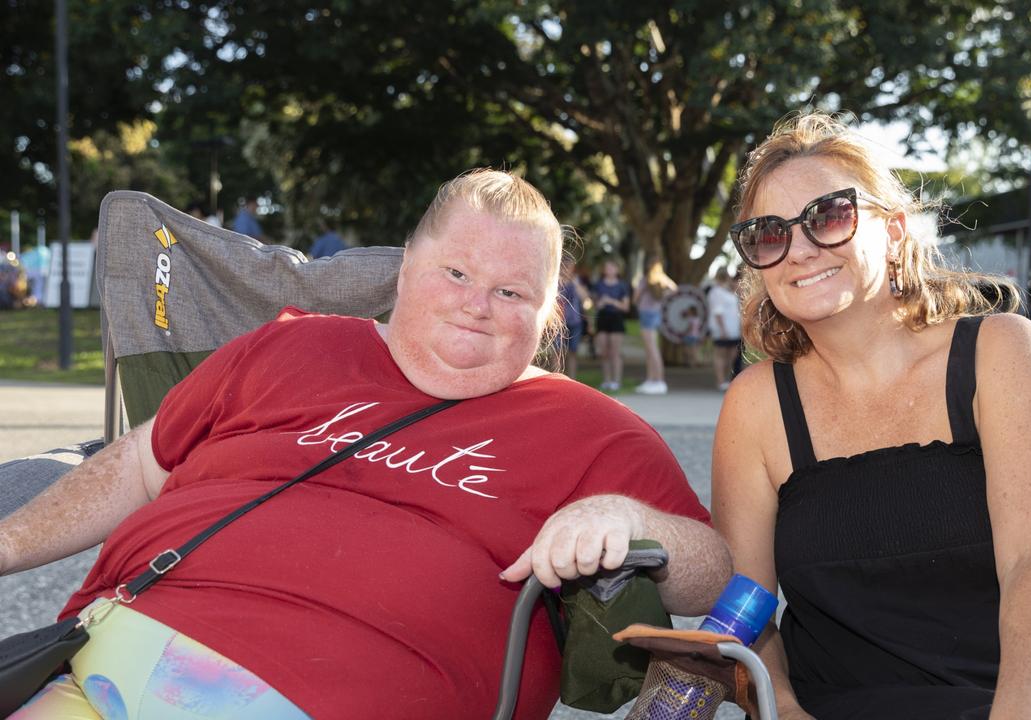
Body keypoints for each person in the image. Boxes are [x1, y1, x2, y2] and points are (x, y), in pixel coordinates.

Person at [0, 170, 730, 720]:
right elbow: (138, 462)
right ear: (406, 265)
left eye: (513, 293)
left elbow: (712, 571)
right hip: (109, 667)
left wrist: (629, 521)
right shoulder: (289, 346)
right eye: (457, 273)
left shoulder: (589, 428)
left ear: (548, 316)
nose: (478, 305)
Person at [712, 112, 1031, 720]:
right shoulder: (755, 404)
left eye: (829, 216)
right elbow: (745, 605)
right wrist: (784, 710)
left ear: (892, 232)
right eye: (767, 233)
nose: (799, 248)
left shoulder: (1001, 350)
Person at [636, 257, 677, 394]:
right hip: (656, 314)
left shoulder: (646, 279)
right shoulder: (662, 278)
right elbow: (675, 289)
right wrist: (664, 295)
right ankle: (651, 379)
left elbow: (636, 297)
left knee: (652, 349)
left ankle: (658, 380)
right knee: (651, 349)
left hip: (646, 314)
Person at [592, 258, 630, 392]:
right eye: (606, 267)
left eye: (611, 267)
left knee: (615, 351)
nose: (609, 270)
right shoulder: (599, 284)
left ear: (617, 270)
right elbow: (594, 303)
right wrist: (599, 304)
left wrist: (612, 302)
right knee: (604, 352)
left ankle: (616, 380)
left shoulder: (622, 285)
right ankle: (607, 380)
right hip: (602, 318)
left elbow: (626, 307)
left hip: (616, 318)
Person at [707, 267, 742, 391]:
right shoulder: (716, 292)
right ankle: (720, 381)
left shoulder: (727, 291)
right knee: (720, 354)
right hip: (722, 328)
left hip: (733, 328)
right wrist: (722, 329)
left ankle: (726, 378)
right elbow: (718, 313)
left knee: (732, 354)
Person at [555, 260, 587, 379]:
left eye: (570, 267)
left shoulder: (576, 281)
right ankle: (556, 379)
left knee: (573, 352)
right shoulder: (555, 280)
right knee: (557, 352)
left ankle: (572, 380)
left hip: (574, 321)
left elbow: (585, 297)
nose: (568, 269)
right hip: (558, 321)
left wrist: (575, 283)